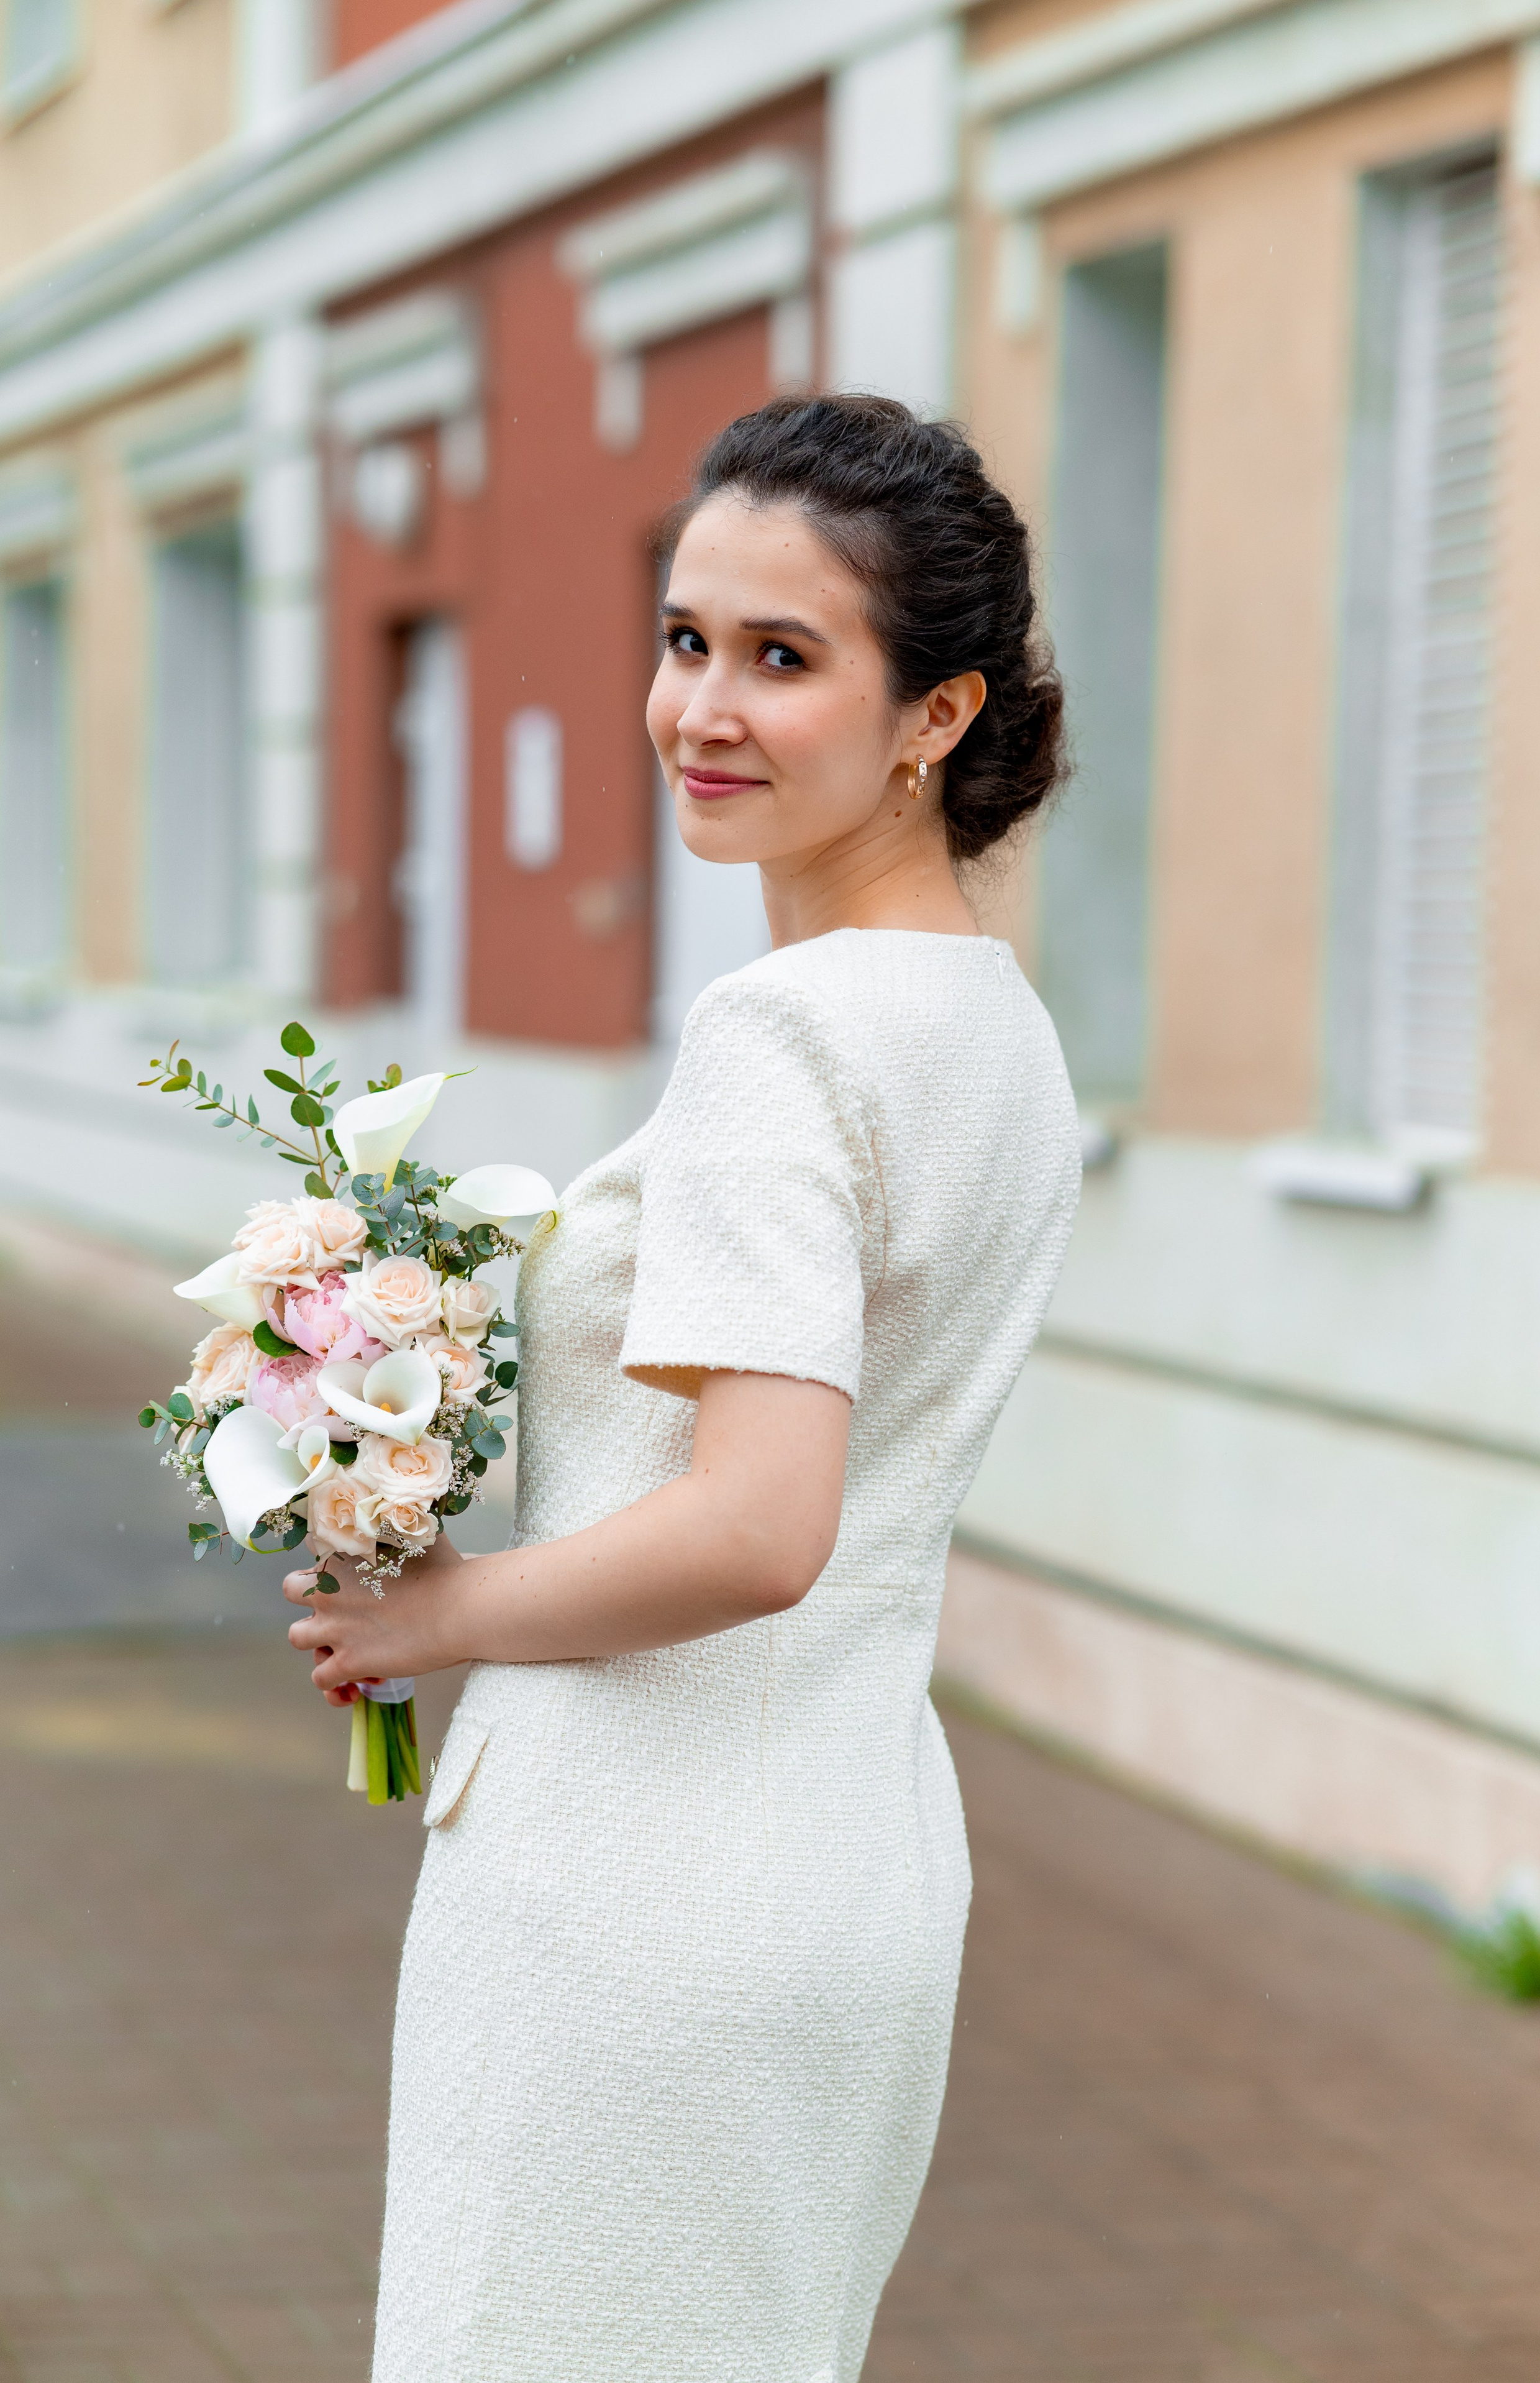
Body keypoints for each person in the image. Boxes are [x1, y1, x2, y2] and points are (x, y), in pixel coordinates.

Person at [285, 391, 1082, 2381]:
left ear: (938, 717)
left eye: (784, 657)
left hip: (639, 1902)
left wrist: (435, 1608)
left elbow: (758, 1519)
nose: (703, 706)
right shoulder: (1000, 1030)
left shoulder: (780, 1037)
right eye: (684, 637)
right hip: (855, 1866)